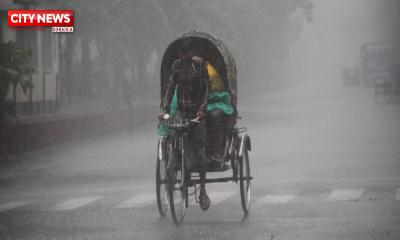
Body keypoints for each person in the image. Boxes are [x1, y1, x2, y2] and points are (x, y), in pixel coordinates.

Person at [158, 42, 211, 210]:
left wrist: (202, 110)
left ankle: (203, 190)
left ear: (191, 52)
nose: (184, 57)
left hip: (197, 112)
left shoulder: (200, 65)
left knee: (200, 151)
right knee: (172, 134)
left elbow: (207, 90)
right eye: (181, 53)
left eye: (187, 53)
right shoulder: (176, 66)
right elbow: (170, 88)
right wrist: (165, 110)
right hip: (181, 111)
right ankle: (176, 163)